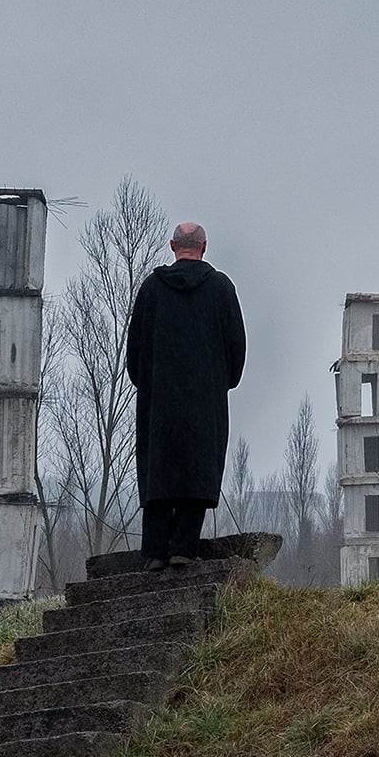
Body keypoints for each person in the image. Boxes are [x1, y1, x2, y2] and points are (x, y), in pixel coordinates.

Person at [124, 220, 247, 567]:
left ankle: (154, 552)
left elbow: (134, 351)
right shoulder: (221, 288)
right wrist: (221, 383)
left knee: (158, 469)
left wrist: (148, 385)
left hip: (159, 402)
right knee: (198, 469)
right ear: (204, 247)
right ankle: (183, 548)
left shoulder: (151, 289)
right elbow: (236, 346)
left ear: (172, 245)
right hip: (204, 401)